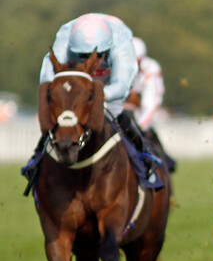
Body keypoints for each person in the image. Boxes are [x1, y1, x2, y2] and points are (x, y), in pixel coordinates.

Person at [23, 13, 158, 191]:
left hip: (110, 81)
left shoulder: (121, 42)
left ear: (107, 49)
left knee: (116, 115)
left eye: (95, 55)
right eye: (81, 56)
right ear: (73, 48)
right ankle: (36, 160)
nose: (89, 62)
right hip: (77, 85)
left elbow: (122, 85)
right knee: (61, 117)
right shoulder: (64, 38)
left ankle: (144, 157)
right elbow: (47, 79)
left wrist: (94, 96)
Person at [126, 36, 175, 172]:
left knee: (161, 159)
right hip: (117, 116)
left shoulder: (151, 68)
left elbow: (151, 103)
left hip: (139, 120)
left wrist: (139, 129)